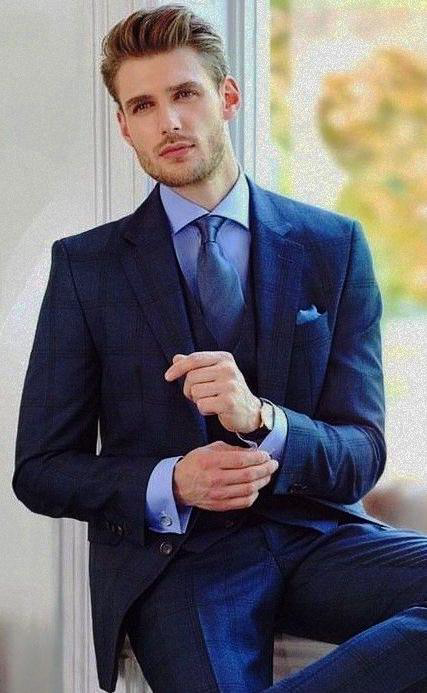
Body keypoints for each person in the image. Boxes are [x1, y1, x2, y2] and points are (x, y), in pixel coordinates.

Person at [12, 4, 427, 692]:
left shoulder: (333, 245)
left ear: (227, 97)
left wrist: (264, 421)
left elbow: (361, 453)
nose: (168, 122)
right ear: (124, 127)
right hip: (180, 562)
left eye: (185, 93)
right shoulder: (87, 269)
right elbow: (41, 469)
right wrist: (172, 480)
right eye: (142, 106)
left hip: (317, 538)